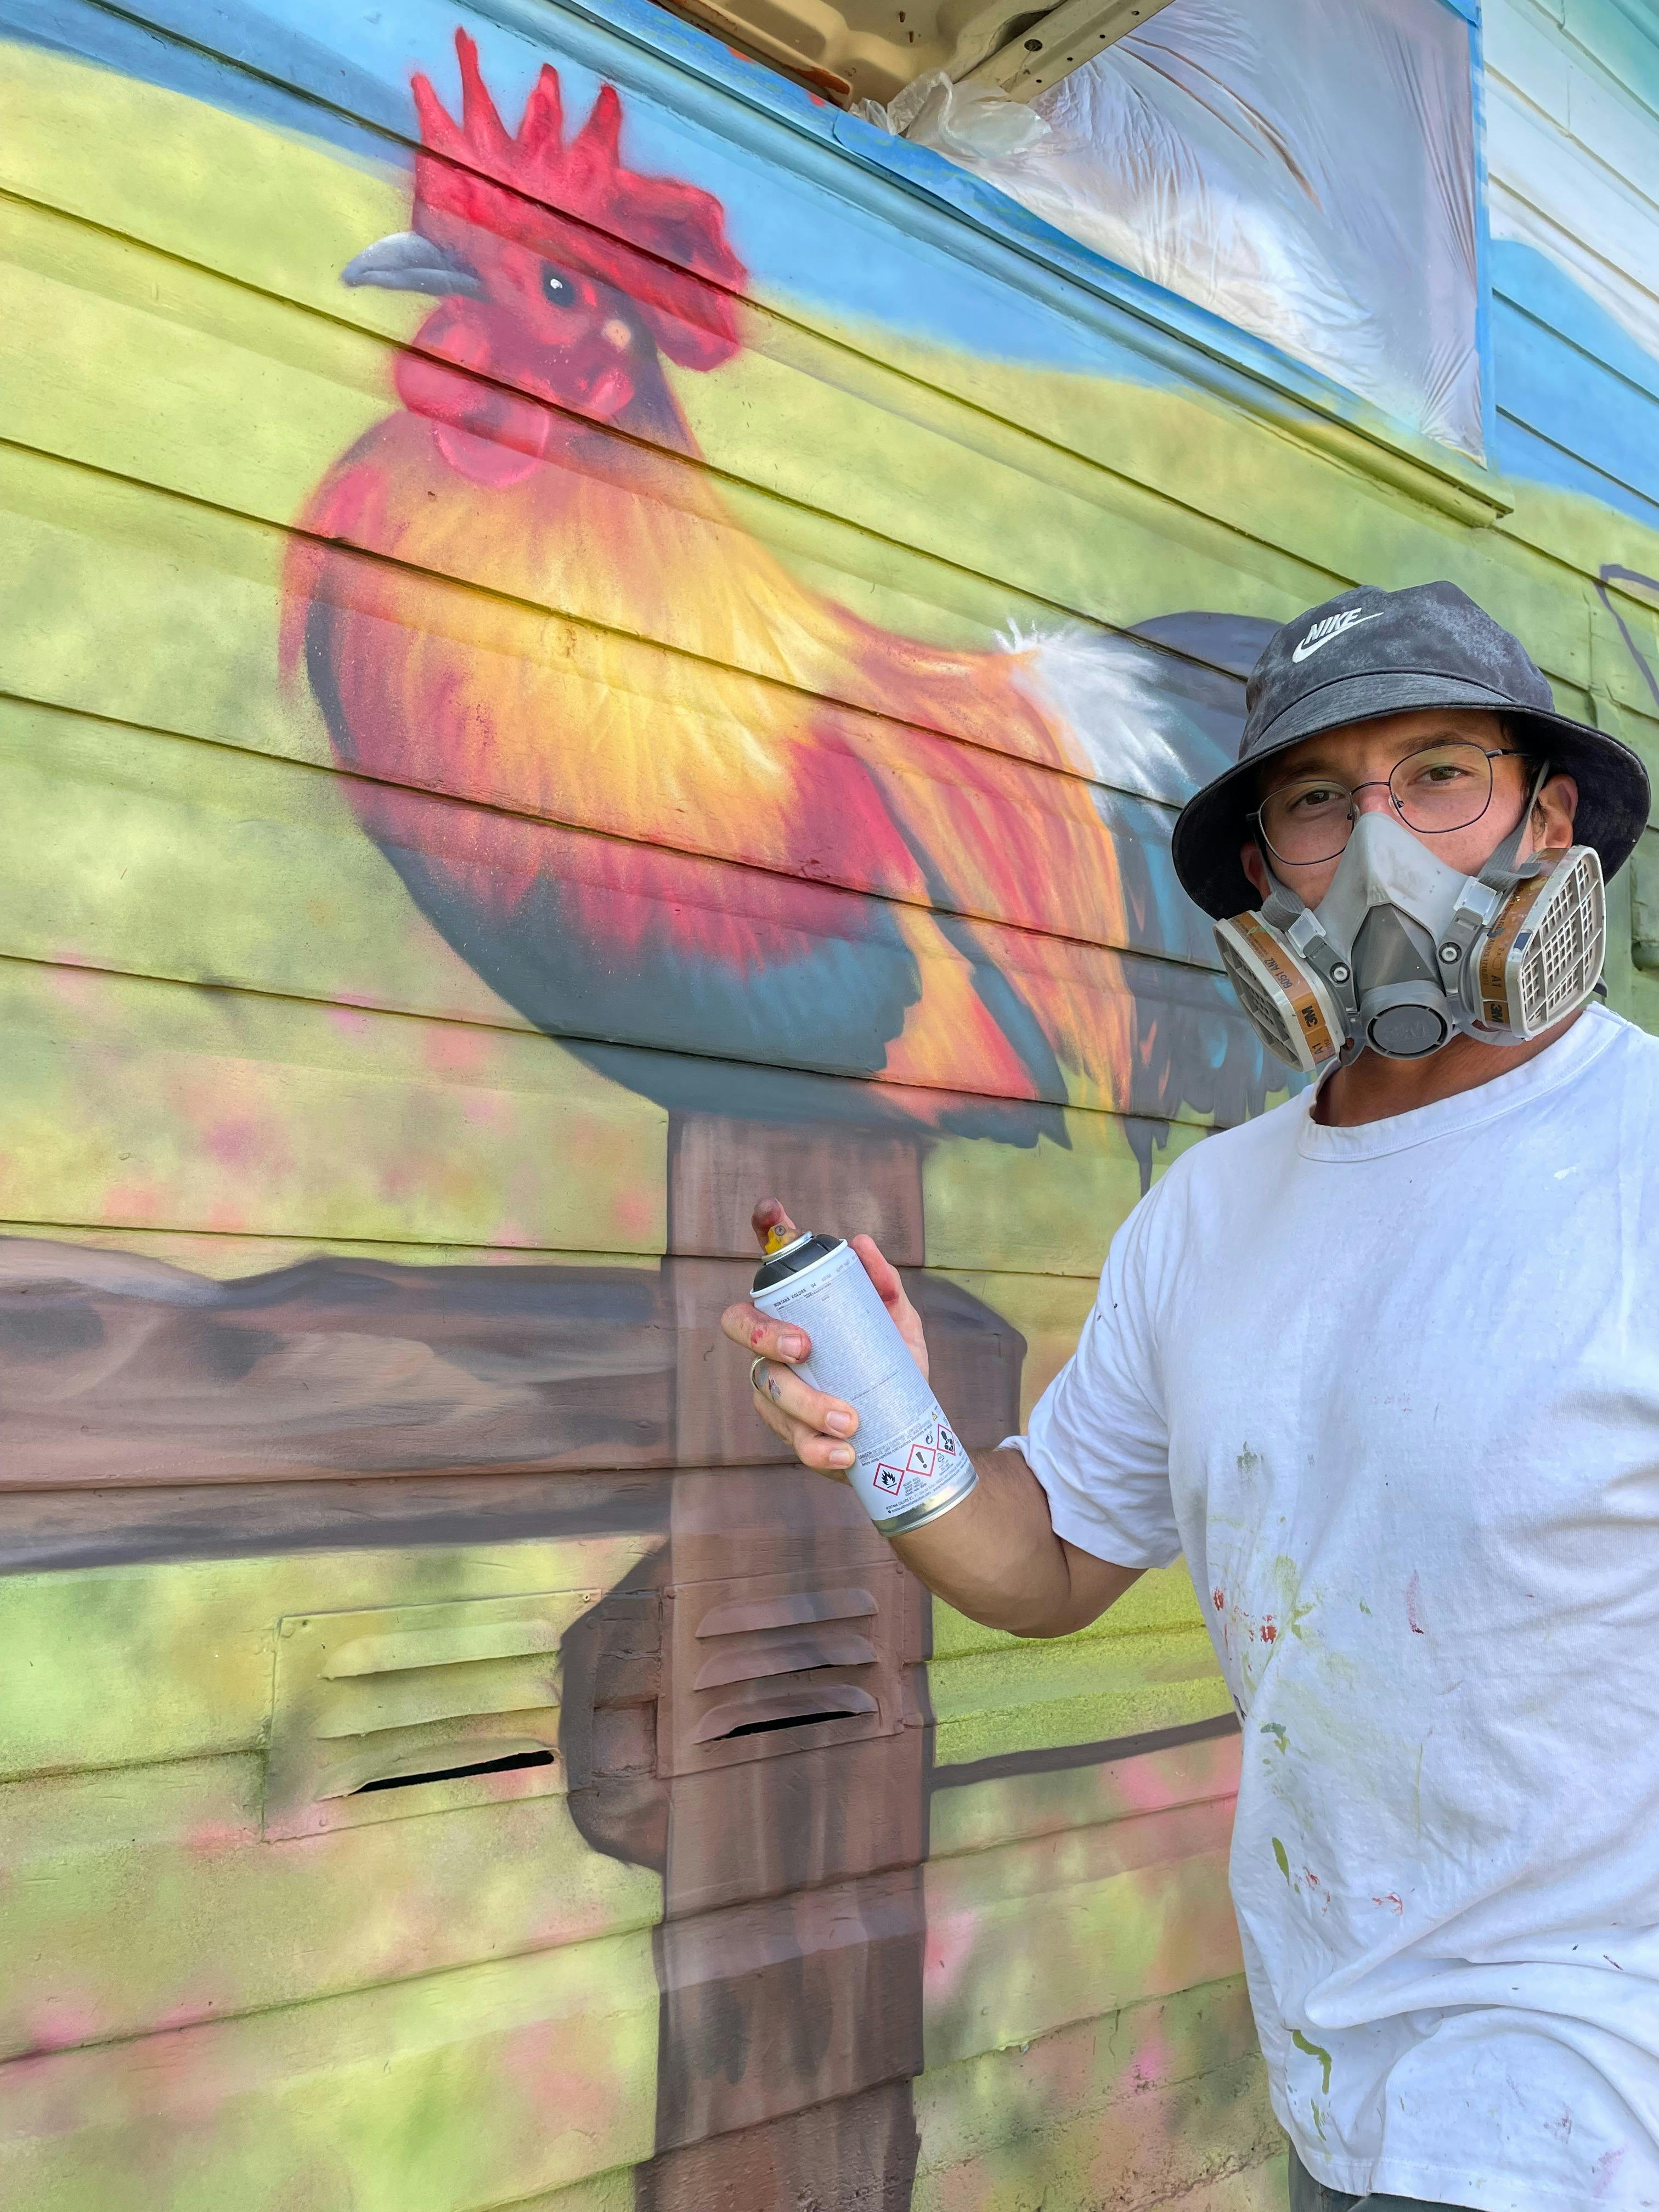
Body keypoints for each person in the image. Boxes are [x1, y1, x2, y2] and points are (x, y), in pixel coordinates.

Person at [721, 582, 1659, 2212]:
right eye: (1320, 803)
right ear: (1266, 869)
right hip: (1342, 2101)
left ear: (1551, 819)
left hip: (1595, 2113)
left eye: (1442, 776)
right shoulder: (1207, 1216)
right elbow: (1046, 1564)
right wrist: (887, 1430)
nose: (1380, 850)